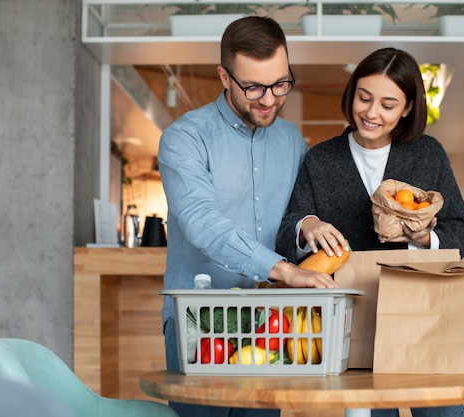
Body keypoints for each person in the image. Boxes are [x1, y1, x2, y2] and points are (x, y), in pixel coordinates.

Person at [276, 47, 464, 417]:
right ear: (352, 93)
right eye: (364, 98)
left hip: (423, 315)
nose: (371, 113)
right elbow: (288, 228)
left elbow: (463, 234)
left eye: (387, 104)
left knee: (443, 413)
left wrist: (424, 240)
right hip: (352, 319)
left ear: (407, 108)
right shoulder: (321, 158)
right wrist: (309, 224)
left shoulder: (427, 154)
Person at [158, 16, 338, 417]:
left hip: (268, 323)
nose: (269, 99)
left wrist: (307, 222)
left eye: (280, 84)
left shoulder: (292, 140)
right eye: (253, 86)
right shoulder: (184, 138)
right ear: (224, 76)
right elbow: (201, 220)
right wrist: (283, 270)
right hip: (199, 321)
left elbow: (293, 215)